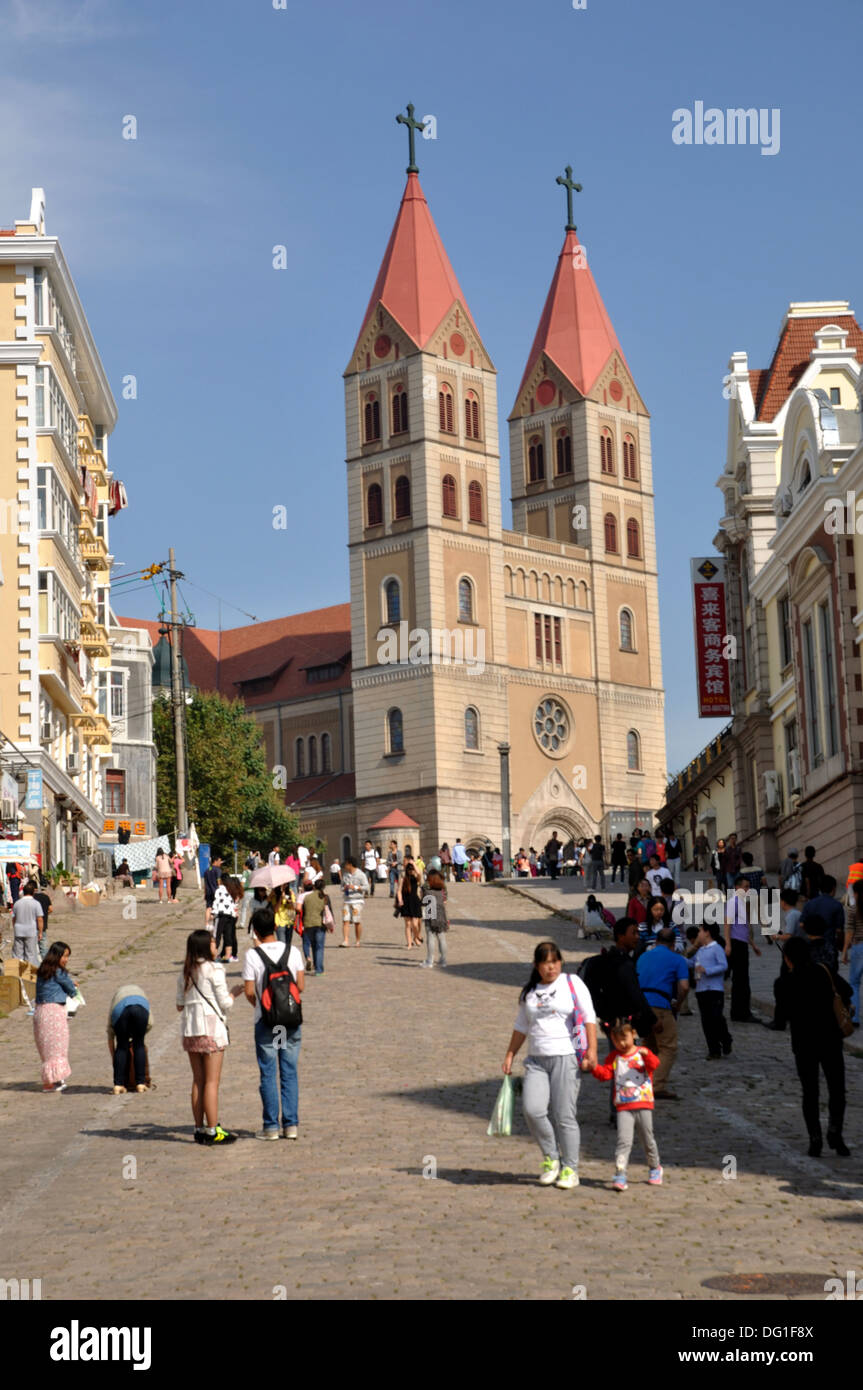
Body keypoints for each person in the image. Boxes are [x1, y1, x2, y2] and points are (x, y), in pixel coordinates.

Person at [502, 941, 598, 1190]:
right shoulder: (529, 993)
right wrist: (511, 1054)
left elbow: (588, 1017)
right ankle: (551, 1158)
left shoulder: (571, 983)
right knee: (532, 1110)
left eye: (555, 961)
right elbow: (521, 1025)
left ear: (560, 962)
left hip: (565, 1057)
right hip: (536, 1059)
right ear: (537, 965)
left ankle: (571, 1168)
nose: (551, 967)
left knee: (564, 1115)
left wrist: (592, 1051)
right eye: (545, 963)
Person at [775, 936, 851, 1156]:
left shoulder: (783, 983)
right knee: (837, 1089)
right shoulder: (823, 971)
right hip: (830, 1039)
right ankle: (835, 1133)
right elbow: (846, 992)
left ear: (787, 959)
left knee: (810, 1092)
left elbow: (782, 1016)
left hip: (803, 1043)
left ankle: (815, 1138)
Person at [242, 907, 305, 1140]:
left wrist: (264, 1007)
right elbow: (300, 986)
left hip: (267, 1022)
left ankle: (270, 1127)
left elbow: (249, 991)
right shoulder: (292, 951)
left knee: (268, 1073)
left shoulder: (252, 955)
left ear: (256, 931)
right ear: (275, 927)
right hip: (289, 1021)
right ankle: (291, 1125)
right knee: (288, 1071)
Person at [176, 928, 242, 1145]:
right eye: (214, 943)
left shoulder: (185, 972)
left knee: (198, 1080)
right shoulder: (214, 969)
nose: (217, 947)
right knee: (212, 1082)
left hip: (191, 1030)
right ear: (206, 947)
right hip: (211, 1029)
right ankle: (213, 1130)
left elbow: (179, 1005)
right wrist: (234, 993)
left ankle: (199, 1127)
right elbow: (226, 1003)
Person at [592, 1019, 662, 1191]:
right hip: (623, 1107)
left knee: (647, 1139)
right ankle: (620, 1172)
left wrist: (647, 1054)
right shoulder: (614, 1058)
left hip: (643, 1104)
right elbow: (605, 1075)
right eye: (616, 1040)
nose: (621, 1043)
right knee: (624, 1141)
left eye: (625, 1037)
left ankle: (655, 1167)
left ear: (633, 1034)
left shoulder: (641, 1053)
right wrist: (594, 1067)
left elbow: (654, 1065)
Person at [636, 926, 689, 1099]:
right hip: (660, 1005)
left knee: (648, 1044)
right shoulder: (677, 960)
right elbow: (684, 987)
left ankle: (639, 1080)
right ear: (673, 944)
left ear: (656, 941)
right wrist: (679, 1004)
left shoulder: (643, 956)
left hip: (642, 1006)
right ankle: (657, 1085)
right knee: (668, 1047)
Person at [33, 941, 77, 1091]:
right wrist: (74, 989)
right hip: (54, 1012)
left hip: (40, 1011)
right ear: (57, 955)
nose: (66, 959)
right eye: (65, 956)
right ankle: (58, 1080)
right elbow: (71, 989)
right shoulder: (59, 971)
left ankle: (48, 1082)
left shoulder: (42, 970)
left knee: (46, 1049)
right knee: (58, 1047)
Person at [724, 875, 761, 1021]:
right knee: (740, 980)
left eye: (748, 887)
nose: (747, 889)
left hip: (742, 943)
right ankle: (741, 1012)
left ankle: (740, 1011)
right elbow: (727, 924)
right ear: (736, 887)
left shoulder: (742, 903)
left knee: (742, 979)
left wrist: (753, 944)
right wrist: (728, 944)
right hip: (736, 943)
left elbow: (743, 927)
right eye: (745, 886)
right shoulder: (733, 902)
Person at [694, 922, 733, 1059]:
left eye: (700, 931)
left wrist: (707, 970)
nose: (698, 934)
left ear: (707, 932)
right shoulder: (700, 951)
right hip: (701, 989)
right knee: (706, 1021)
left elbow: (723, 965)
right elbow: (693, 964)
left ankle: (726, 1038)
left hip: (715, 989)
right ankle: (714, 1049)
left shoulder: (716, 948)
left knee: (716, 1017)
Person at [107, 985, 152, 1094]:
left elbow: (110, 1032)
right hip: (141, 1010)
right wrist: (137, 1037)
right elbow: (150, 1024)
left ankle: (118, 1085)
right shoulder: (142, 995)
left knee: (122, 1046)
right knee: (139, 1045)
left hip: (120, 1011)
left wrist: (114, 1056)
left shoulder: (116, 998)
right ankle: (140, 1084)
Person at [800, 875, 843, 972]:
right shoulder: (837, 905)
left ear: (820, 889)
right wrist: (841, 944)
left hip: (810, 944)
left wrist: (809, 932)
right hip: (829, 945)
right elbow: (839, 930)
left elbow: (801, 924)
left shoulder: (809, 904)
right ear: (834, 888)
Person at [301, 880, 333, 976]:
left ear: (314, 886)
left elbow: (303, 911)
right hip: (320, 924)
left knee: (314, 946)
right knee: (319, 947)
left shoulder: (307, 897)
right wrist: (331, 925)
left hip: (308, 924)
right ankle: (319, 969)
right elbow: (329, 912)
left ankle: (316, 965)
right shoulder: (325, 897)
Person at [843, 878, 863, 1026]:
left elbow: (849, 931)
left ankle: (854, 1017)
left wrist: (844, 951)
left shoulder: (853, 910)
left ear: (855, 893)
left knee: (854, 983)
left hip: (858, 947)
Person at [420, 868, 449, 968]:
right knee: (441, 937)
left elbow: (423, 901)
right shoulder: (442, 888)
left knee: (430, 937)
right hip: (441, 912)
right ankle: (443, 960)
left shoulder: (426, 889)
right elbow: (445, 900)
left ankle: (430, 960)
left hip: (430, 911)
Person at [12, 879, 44, 968]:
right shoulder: (36, 903)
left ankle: (17, 974)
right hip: (31, 931)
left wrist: (14, 928)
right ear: (33, 892)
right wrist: (40, 932)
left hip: (19, 930)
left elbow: (13, 918)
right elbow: (40, 919)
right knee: (30, 954)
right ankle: (29, 975)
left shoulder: (17, 903)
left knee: (18, 954)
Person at [340, 855, 369, 947]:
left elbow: (367, 887)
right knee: (345, 920)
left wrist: (356, 887)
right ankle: (346, 940)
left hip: (357, 900)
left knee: (357, 921)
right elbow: (341, 887)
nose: (345, 866)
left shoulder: (361, 874)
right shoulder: (345, 875)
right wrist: (344, 888)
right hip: (347, 900)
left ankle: (357, 940)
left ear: (350, 864)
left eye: (346, 864)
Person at [212, 873, 240, 963]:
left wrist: (213, 913)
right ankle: (227, 956)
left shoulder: (219, 890)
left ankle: (214, 956)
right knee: (228, 936)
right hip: (231, 916)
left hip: (221, 915)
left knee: (216, 936)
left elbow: (216, 901)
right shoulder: (231, 889)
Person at [396, 858, 423, 949]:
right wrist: (400, 900)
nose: (411, 871)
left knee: (415, 924)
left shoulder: (416, 878)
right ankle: (409, 943)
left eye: (412, 869)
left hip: (415, 901)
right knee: (408, 924)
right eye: (409, 869)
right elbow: (399, 891)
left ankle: (416, 937)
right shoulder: (403, 878)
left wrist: (414, 864)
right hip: (406, 902)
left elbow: (419, 873)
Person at [203, 852, 223, 926]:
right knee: (216, 908)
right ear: (215, 861)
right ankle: (214, 923)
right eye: (219, 861)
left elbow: (205, 883)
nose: (220, 863)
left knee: (208, 907)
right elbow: (219, 881)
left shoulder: (207, 870)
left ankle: (207, 924)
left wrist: (204, 893)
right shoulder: (218, 870)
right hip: (216, 892)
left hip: (208, 892)